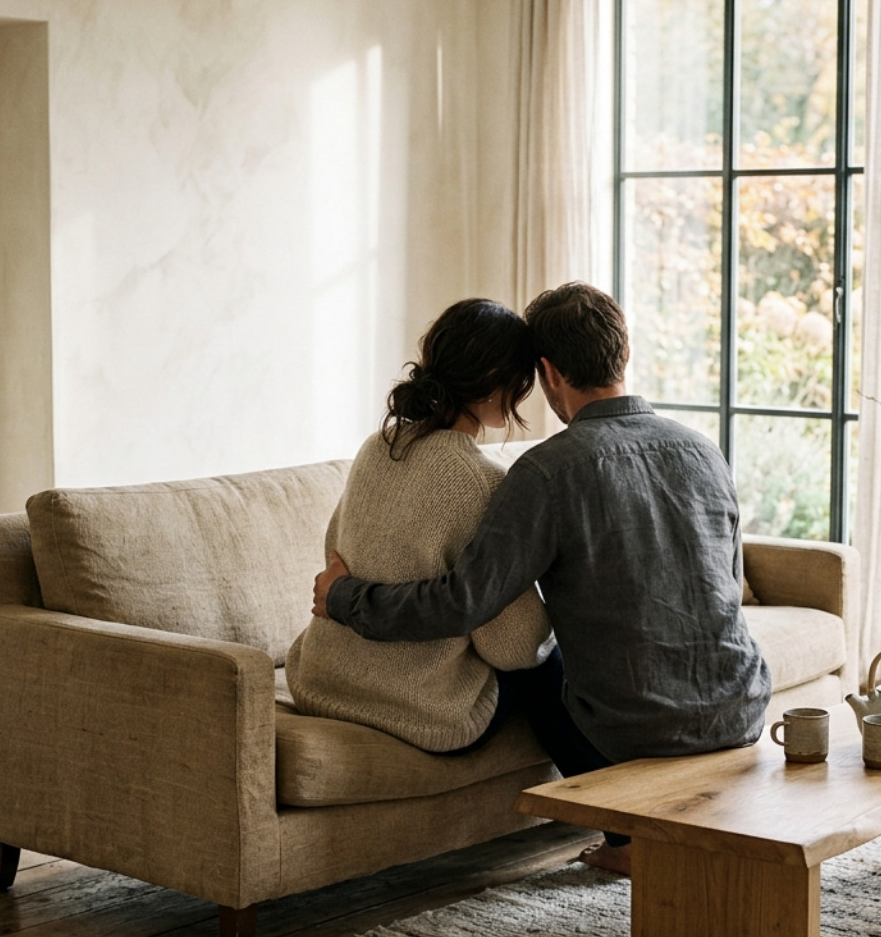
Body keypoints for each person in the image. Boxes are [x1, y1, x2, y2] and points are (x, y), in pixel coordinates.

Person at [311, 282, 771, 876]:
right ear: (624, 355)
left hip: (632, 728)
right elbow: (729, 586)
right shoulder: (704, 451)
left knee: (541, 666)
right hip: (744, 708)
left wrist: (345, 597)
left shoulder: (544, 473)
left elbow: (463, 604)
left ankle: (627, 840)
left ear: (549, 373)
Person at [285, 298, 554, 755]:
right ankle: (618, 814)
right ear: (496, 385)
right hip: (416, 704)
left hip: (320, 679)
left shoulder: (379, 445)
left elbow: (335, 552)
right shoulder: (481, 481)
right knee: (553, 668)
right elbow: (513, 646)